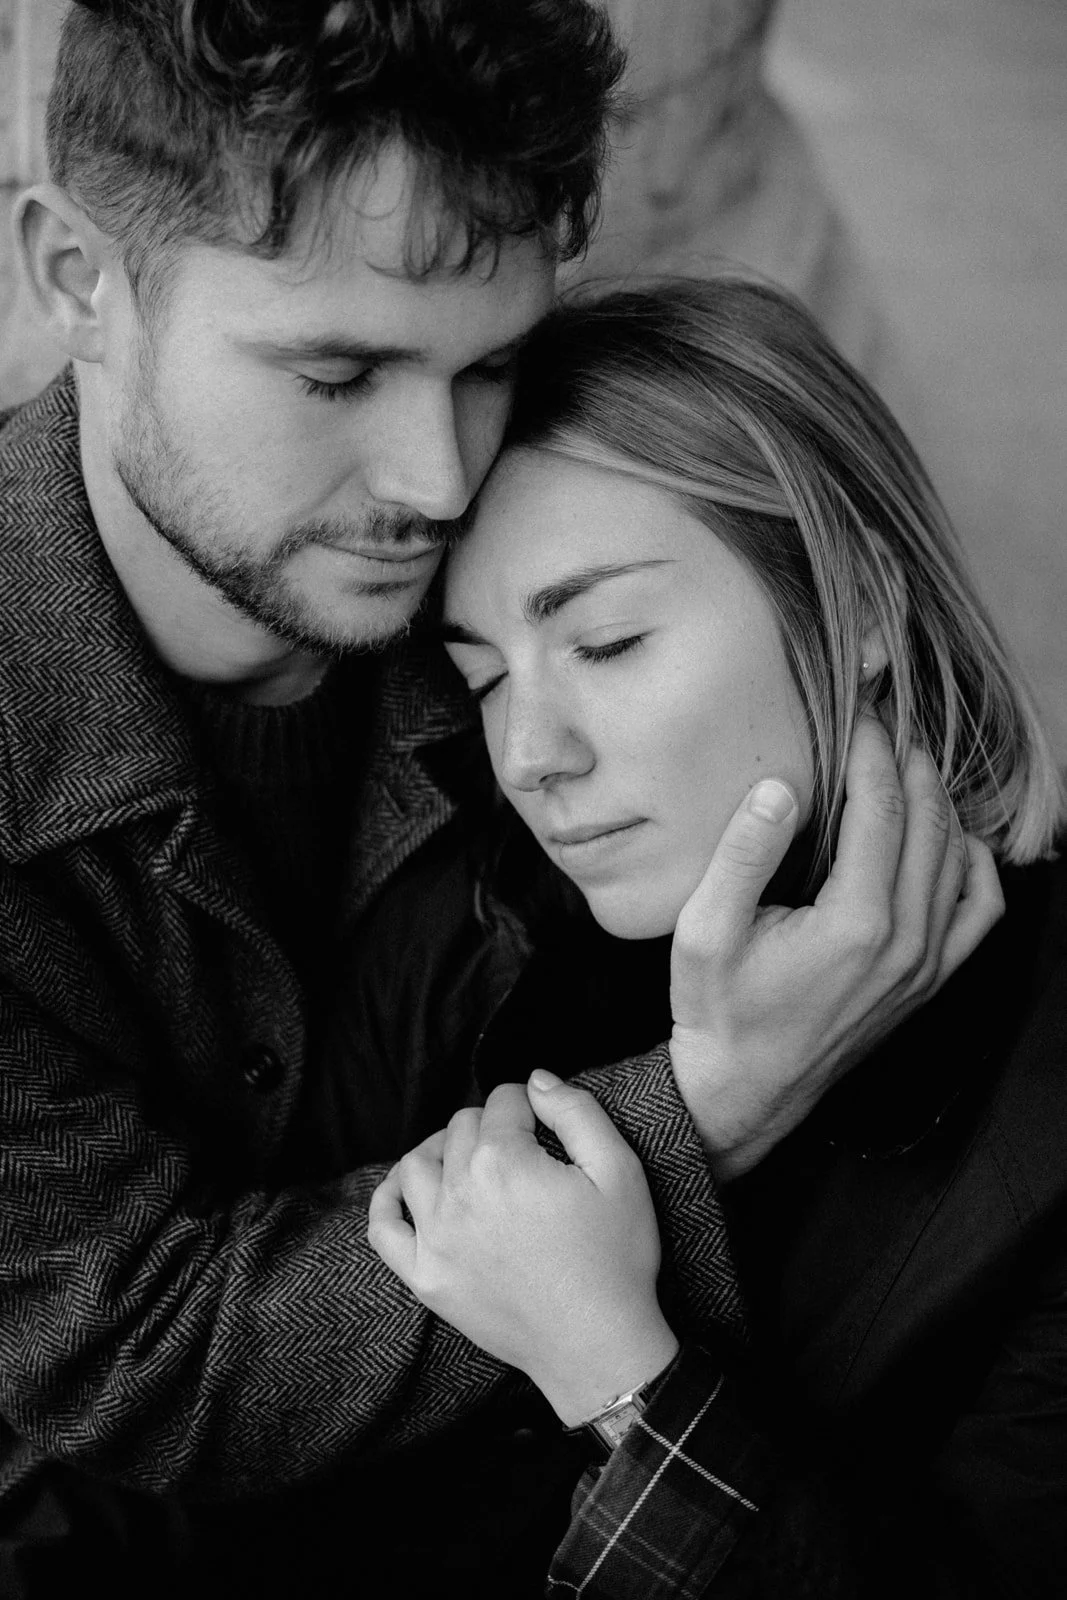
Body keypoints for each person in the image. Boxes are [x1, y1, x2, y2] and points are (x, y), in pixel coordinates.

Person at [0, 4, 992, 1594]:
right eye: (334, 372)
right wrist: (702, 1107)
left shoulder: (522, 588)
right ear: (77, 280)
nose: (439, 481)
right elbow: (137, 1370)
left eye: (491, 366)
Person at [369, 277, 1067, 1597]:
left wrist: (616, 1373)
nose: (530, 755)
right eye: (483, 676)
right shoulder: (471, 927)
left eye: (608, 641)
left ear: (856, 604)